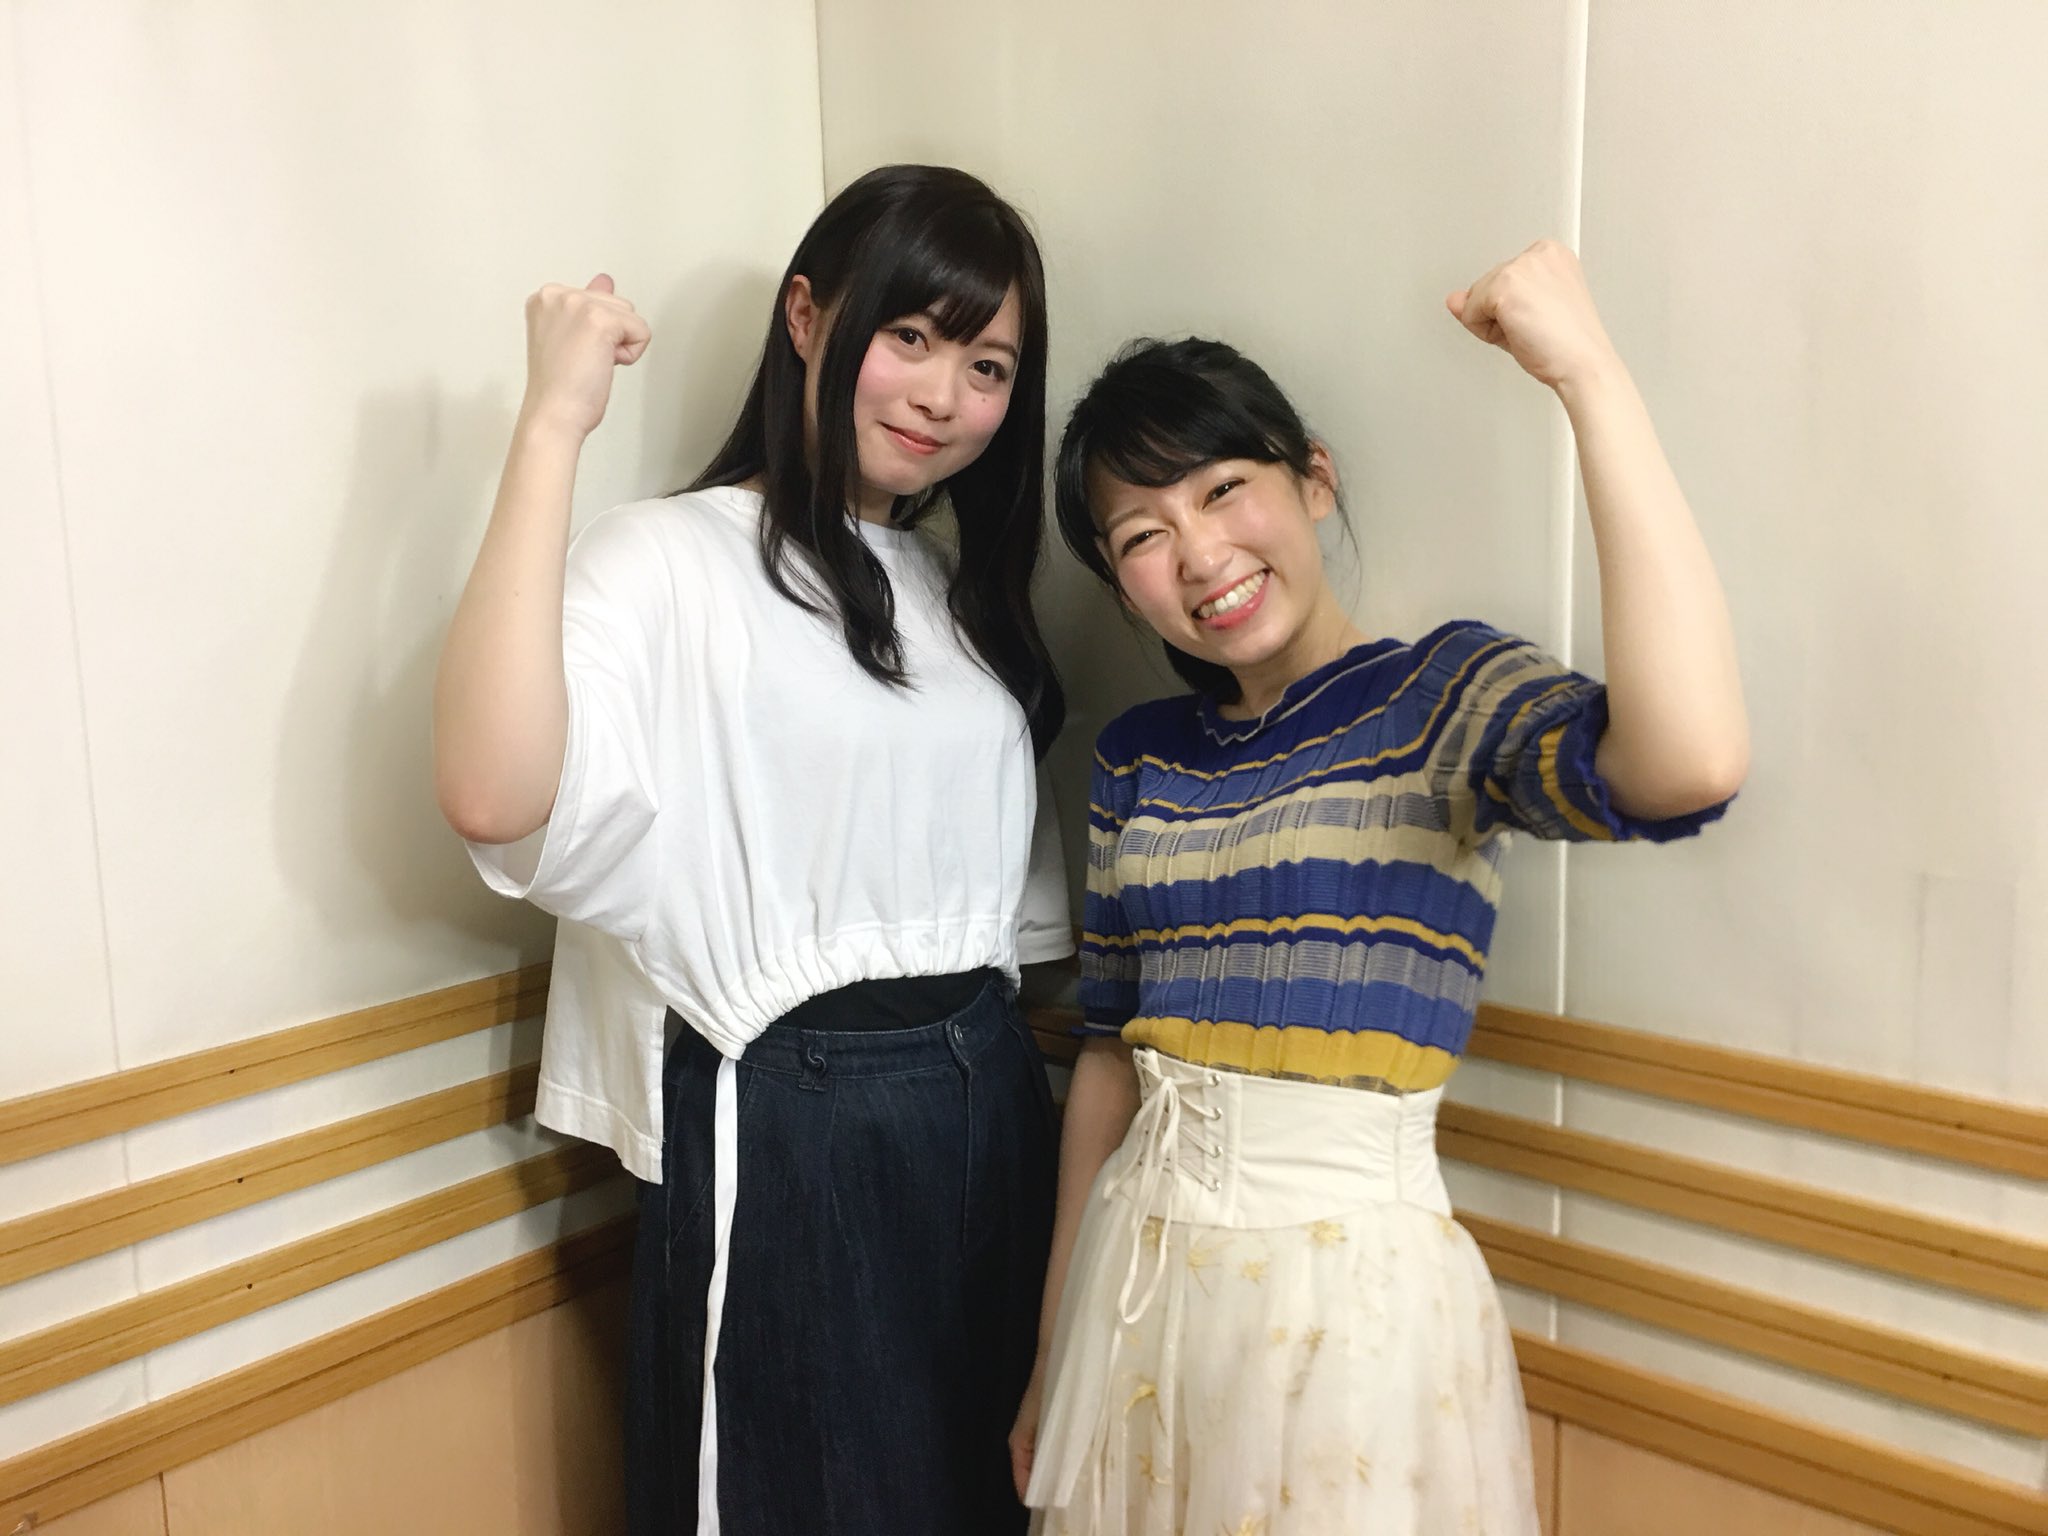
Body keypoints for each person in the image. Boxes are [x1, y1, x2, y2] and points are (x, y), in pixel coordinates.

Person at [1014, 240, 1747, 1534]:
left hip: (1345, 1316)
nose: (1199, 553)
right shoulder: (1137, 761)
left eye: (1225, 489)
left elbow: (1687, 762)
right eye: (1144, 534)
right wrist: (1050, 1353)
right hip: (1136, 1290)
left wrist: (1589, 374)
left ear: (1313, 479)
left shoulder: (1436, 699)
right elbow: (1108, 1061)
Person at [435, 164, 1072, 1536]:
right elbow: (493, 793)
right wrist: (553, 423)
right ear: (806, 315)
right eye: (910, 335)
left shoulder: (962, 598)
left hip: (992, 1093)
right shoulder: (668, 557)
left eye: (987, 366)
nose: (943, 394)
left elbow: (1021, 930)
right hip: (791, 1110)